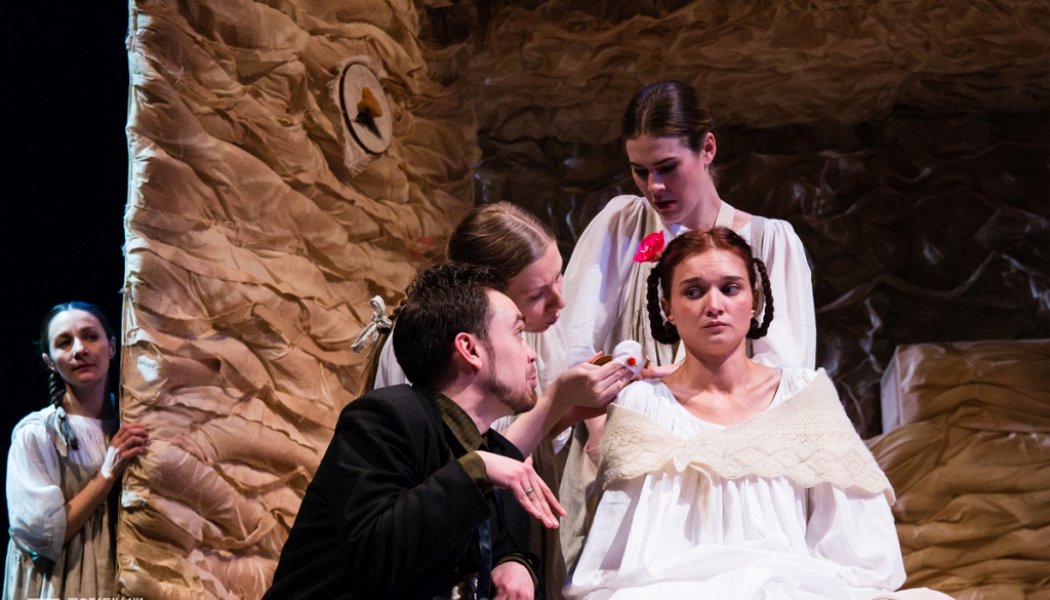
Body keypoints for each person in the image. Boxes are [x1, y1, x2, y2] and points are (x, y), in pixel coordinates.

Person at [563, 229, 947, 599]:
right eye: (694, 291)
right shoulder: (644, 406)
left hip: (792, 587)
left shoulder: (802, 396)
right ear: (668, 309)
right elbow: (615, 552)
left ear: (754, 300)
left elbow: (855, 544)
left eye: (730, 288)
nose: (714, 305)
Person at [549, 80, 818, 565]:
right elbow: (574, 345)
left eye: (668, 167)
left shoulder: (769, 243)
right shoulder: (621, 225)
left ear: (707, 148)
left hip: (729, 471)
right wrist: (602, 441)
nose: (654, 186)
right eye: (640, 171)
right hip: (621, 459)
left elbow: (783, 379)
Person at [372, 203, 636, 600]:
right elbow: (467, 463)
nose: (560, 302)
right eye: (537, 294)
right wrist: (557, 398)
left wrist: (572, 408)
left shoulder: (535, 330)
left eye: (559, 277)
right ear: (485, 295)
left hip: (506, 520)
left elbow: (512, 444)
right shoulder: (428, 351)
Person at [265, 263, 567, 600]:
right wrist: (475, 471)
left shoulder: (499, 453)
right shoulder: (384, 420)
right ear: (469, 349)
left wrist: (516, 563)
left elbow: (503, 545)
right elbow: (374, 558)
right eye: (518, 334)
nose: (531, 355)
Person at [4, 302, 149, 599]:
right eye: (65, 342)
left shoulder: (134, 425)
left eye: (90, 336)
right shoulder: (38, 434)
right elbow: (43, 535)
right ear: (50, 361)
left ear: (112, 347)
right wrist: (106, 474)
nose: (80, 349)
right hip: (63, 585)